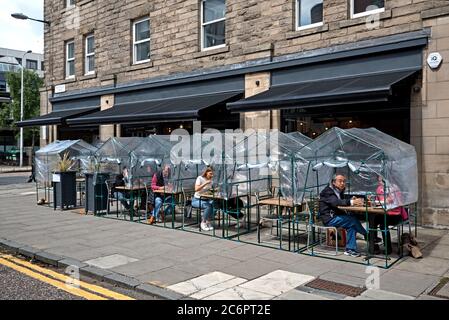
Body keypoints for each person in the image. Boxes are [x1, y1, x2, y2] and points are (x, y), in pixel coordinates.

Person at [319, 173, 367, 257]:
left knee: (351, 226)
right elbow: (335, 202)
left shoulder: (338, 191)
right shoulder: (327, 192)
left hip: (336, 217)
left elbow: (341, 202)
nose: (342, 183)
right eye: (340, 181)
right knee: (352, 220)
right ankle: (368, 235)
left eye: (344, 181)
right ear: (333, 182)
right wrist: (351, 202)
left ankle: (350, 250)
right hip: (329, 219)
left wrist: (351, 200)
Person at [372, 175, 409, 255]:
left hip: (396, 214)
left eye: (382, 180)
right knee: (372, 220)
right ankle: (374, 244)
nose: (380, 182)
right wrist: (375, 200)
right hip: (384, 213)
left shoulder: (394, 188)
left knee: (383, 225)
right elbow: (378, 201)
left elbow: (392, 202)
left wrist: (382, 201)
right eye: (379, 180)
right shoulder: (379, 188)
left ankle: (388, 248)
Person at [192, 167, 216, 231]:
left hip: (206, 199)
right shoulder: (200, 178)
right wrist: (205, 183)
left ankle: (208, 221)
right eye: (210, 174)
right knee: (208, 206)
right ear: (206, 173)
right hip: (196, 200)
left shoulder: (211, 180)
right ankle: (203, 222)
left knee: (215, 204)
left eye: (212, 174)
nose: (212, 175)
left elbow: (210, 190)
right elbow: (196, 189)